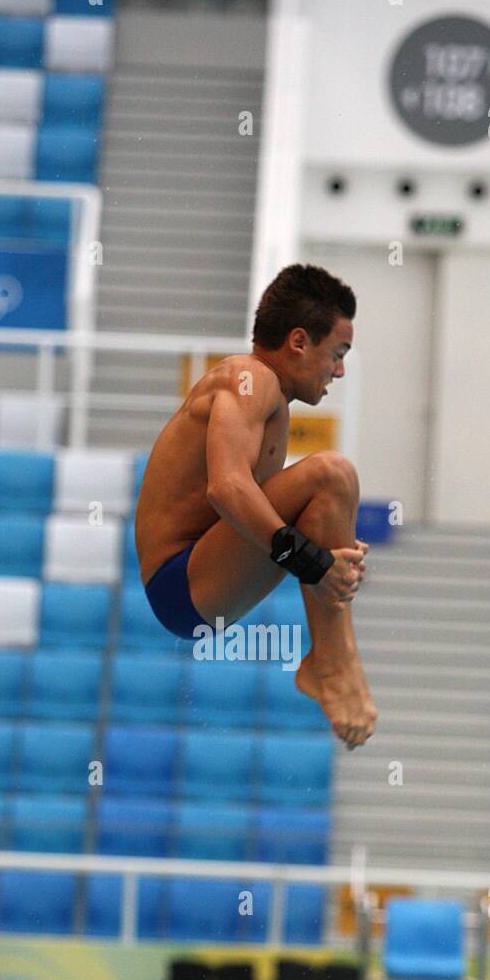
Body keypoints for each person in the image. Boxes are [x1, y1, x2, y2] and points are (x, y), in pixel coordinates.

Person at [135, 263, 377, 749]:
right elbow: (226, 489)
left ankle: (330, 661)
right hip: (179, 581)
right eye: (338, 352)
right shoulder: (247, 379)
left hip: (198, 578)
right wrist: (312, 560)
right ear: (299, 341)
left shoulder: (269, 396)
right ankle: (331, 662)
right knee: (332, 473)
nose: (340, 370)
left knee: (332, 492)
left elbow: (257, 515)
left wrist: (331, 550)